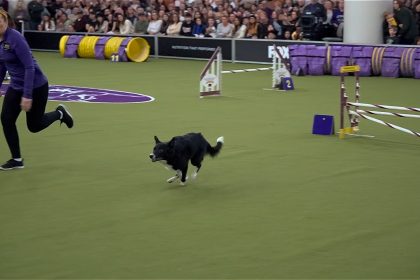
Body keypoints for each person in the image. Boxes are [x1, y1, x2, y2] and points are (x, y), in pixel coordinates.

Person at [0, 10, 74, 170]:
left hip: (35, 86)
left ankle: (59, 113)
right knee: (6, 119)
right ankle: (17, 159)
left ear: (6, 20)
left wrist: (27, 96)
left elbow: (29, 67)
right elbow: (1, 65)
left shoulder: (15, 38)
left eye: (0, 20)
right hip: (16, 86)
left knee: (34, 126)